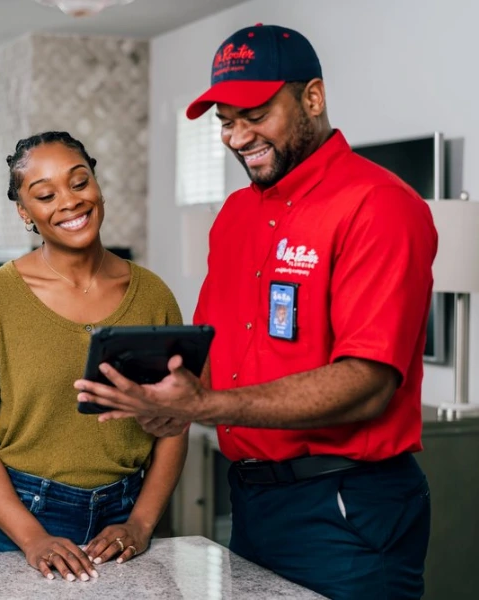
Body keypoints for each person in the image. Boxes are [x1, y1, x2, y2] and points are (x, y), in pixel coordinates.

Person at [74, 23, 437, 600]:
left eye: (256, 115)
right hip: (252, 500)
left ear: (312, 98)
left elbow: (368, 384)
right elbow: (220, 354)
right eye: (225, 121)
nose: (238, 137)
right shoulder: (235, 215)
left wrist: (205, 405)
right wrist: (167, 406)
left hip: (347, 508)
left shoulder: (380, 205)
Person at [0, 132, 188, 582]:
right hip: (23, 517)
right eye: (45, 195)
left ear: (97, 185)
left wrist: (140, 523)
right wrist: (33, 538)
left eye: (79, 182)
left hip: (127, 520)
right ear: (25, 212)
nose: (70, 201)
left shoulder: (153, 296)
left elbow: (175, 424)